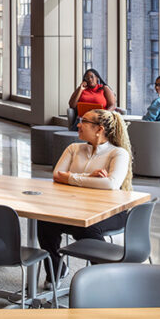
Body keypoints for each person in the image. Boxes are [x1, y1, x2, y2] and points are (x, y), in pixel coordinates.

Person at [38, 108, 134, 285]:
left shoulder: (118, 153)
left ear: (99, 129)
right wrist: (89, 177)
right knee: (45, 221)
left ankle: (104, 279)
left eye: (84, 121)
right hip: (75, 209)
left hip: (111, 211)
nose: (78, 125)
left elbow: (111, 184)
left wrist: (71, 178)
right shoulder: (74, 148)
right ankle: (56, 271)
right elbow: (57, 175)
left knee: (87, 228)